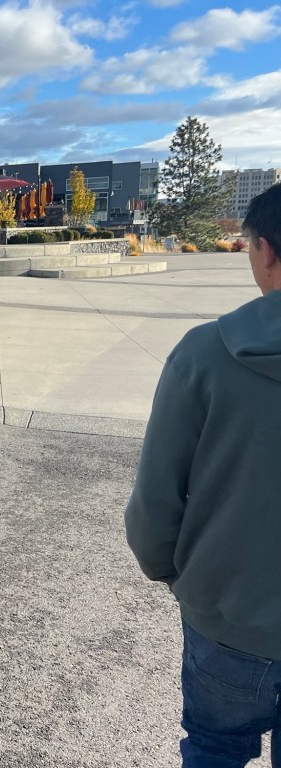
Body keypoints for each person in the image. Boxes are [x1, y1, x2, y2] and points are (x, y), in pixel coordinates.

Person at [125, 183, 281, 767]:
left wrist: (174, 574)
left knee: (215, 748)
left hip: (227, 614)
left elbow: (154, 504)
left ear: (264, 249)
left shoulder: (205, 354)